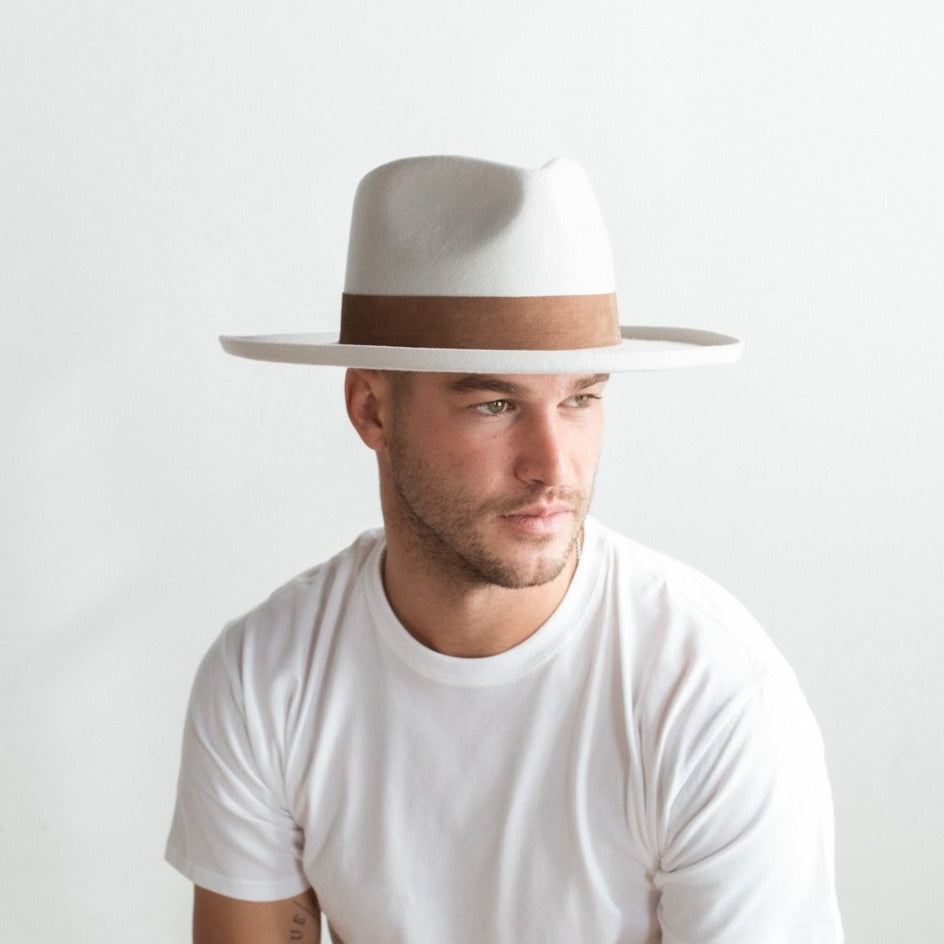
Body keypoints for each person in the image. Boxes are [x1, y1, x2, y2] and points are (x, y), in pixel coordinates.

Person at [166, 155, 843, 943]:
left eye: (580, 398)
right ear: (371, 409)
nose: (553, 467)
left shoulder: (710, 694)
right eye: (494, 404)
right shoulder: (265, 679)